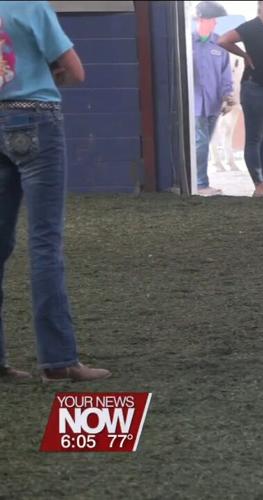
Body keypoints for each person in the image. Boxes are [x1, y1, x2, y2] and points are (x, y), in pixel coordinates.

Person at [0, 1, 111, 382]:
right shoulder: (32, 6)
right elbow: (76, 71)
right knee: (45, 241)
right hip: (36, 119)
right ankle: (58, 360)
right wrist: (52, 73)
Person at [218, 1, 263, 199]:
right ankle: (259, 186)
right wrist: (244, 54)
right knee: (255, 139)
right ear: (260, 5)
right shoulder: (251, 27)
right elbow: (223, 40)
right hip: (256, 87)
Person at [192, 1, 232, 196]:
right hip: (194, 104)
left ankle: (197, 181)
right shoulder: (188, 43)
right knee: (200, 142)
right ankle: (200, 183)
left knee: (204, 143)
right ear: (201, 19)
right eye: (212, 19)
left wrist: (228, 96)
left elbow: (226, 74)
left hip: (214, 103)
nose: (216, 23)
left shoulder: (220, 44)